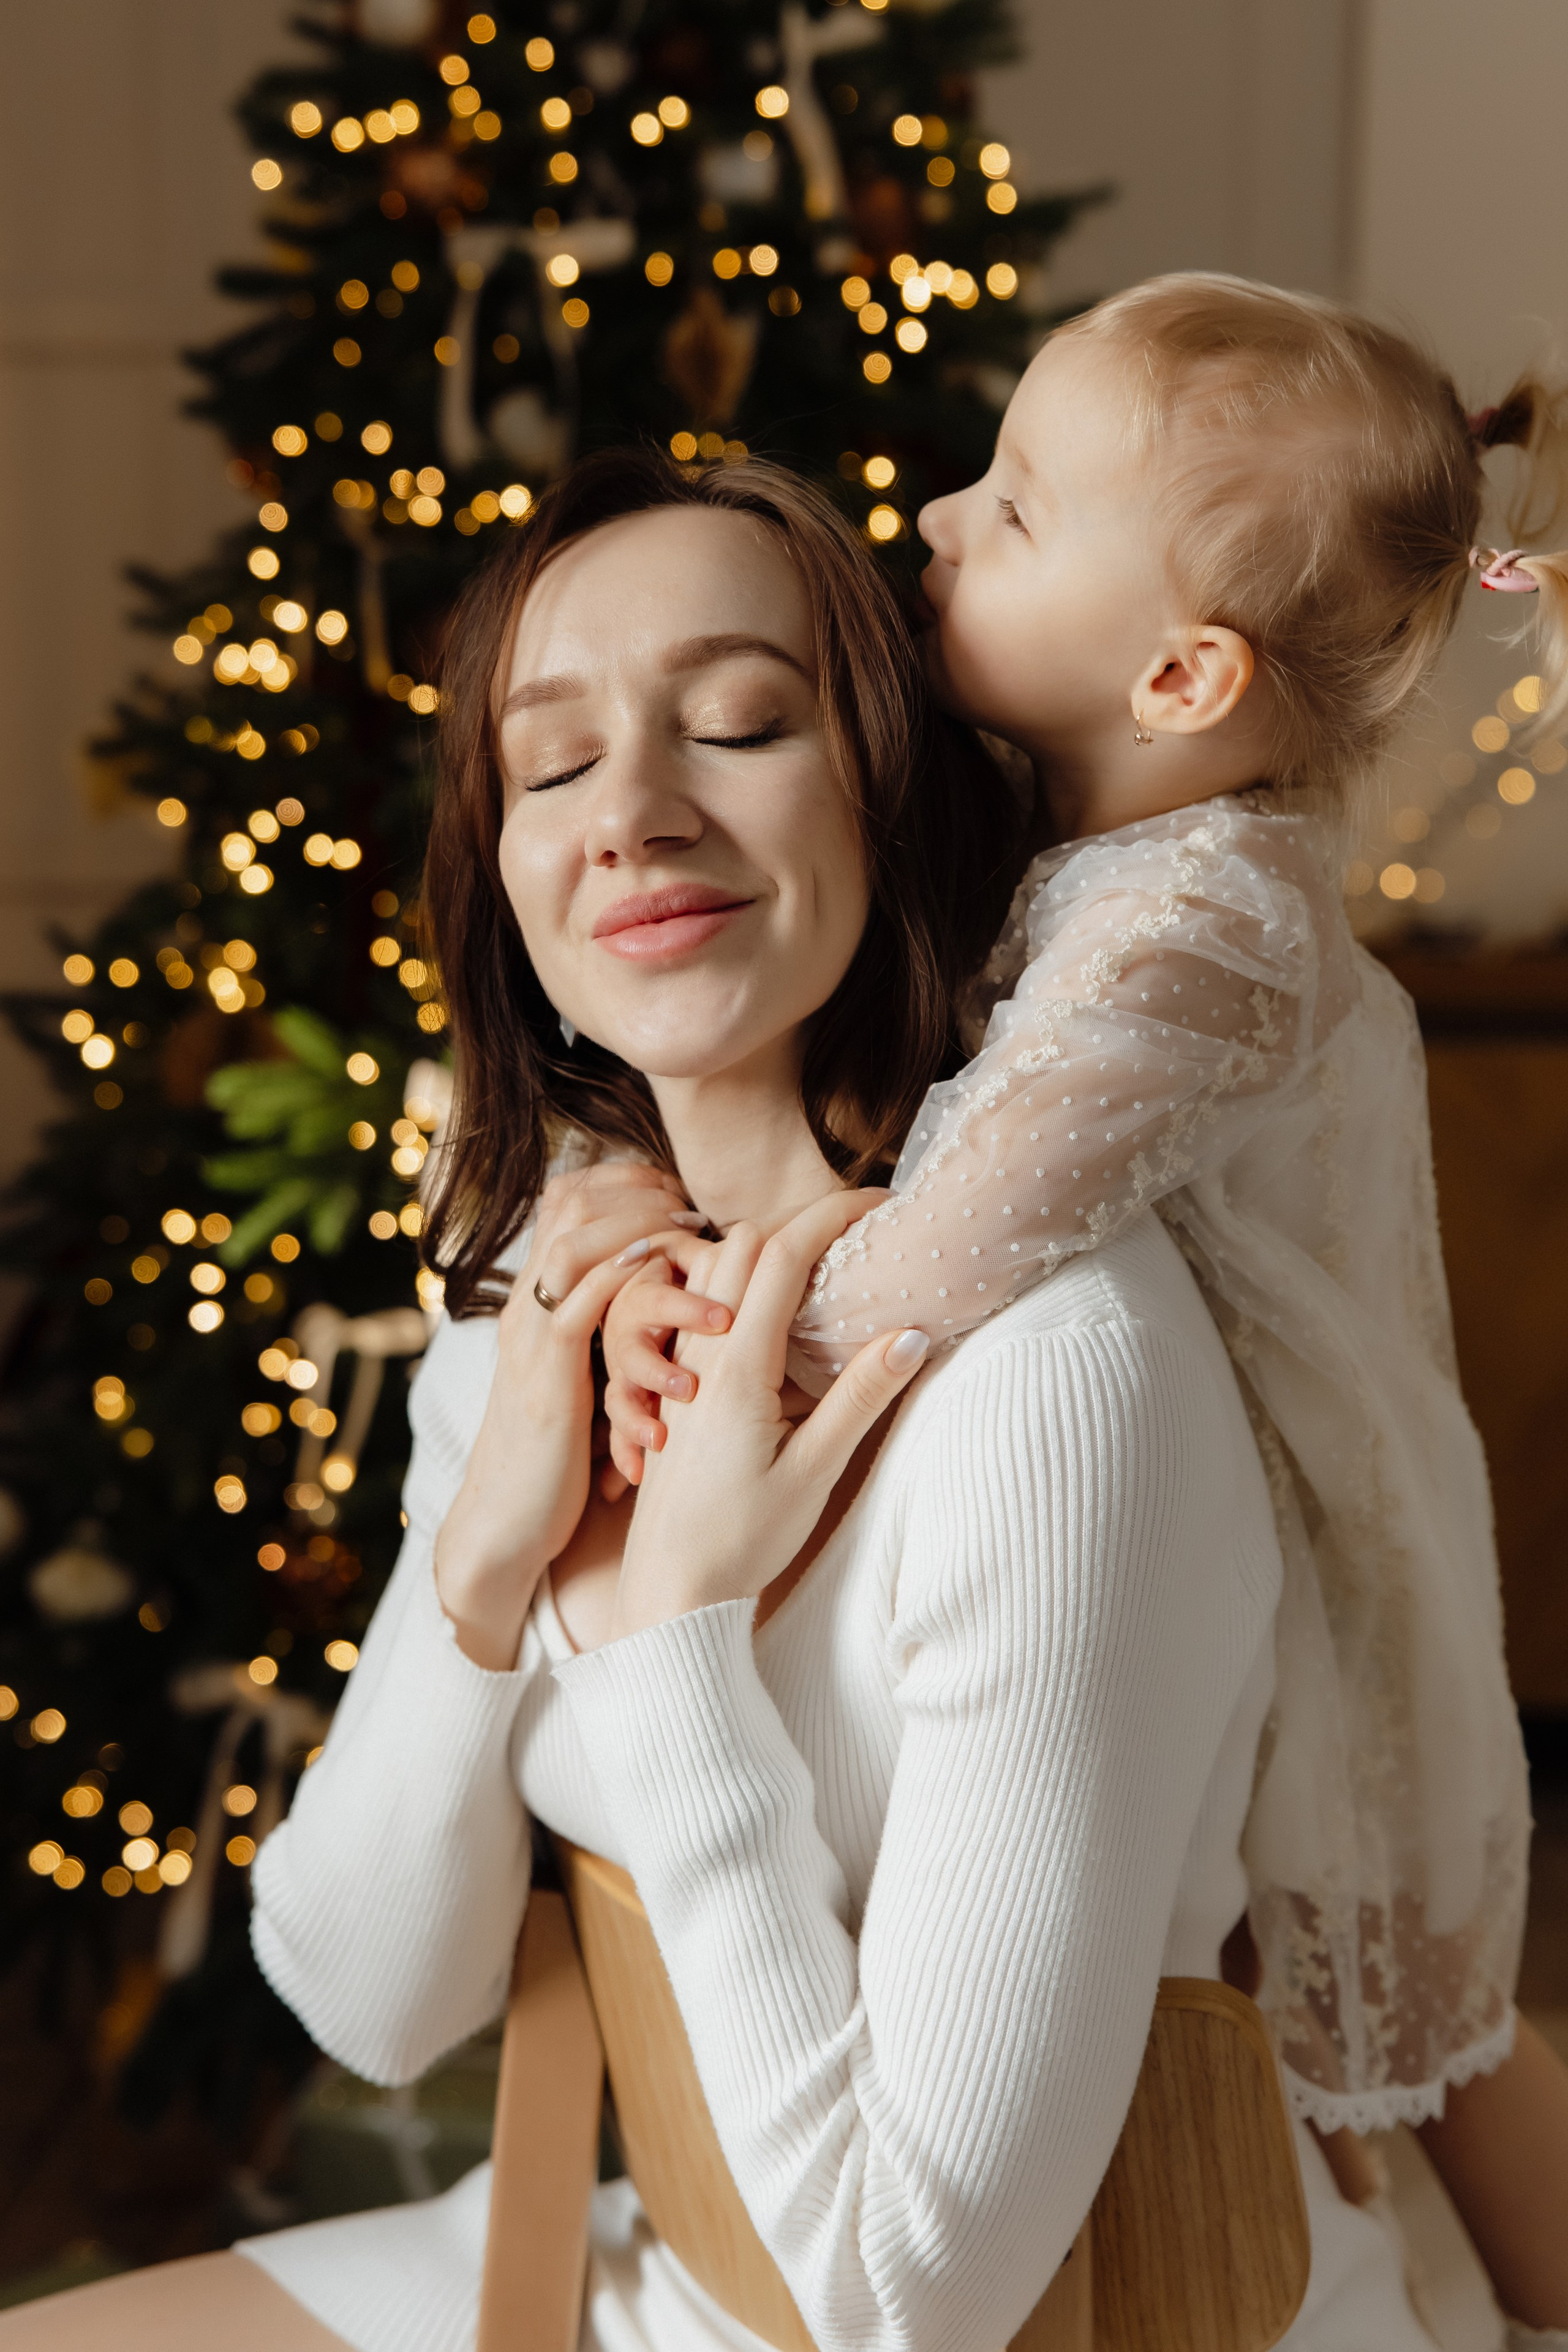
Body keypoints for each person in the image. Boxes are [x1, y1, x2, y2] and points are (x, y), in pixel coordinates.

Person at [1, 450, 1451, 2351]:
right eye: (549, 763)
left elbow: (908, 2295)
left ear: (894, 784)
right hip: (664, 2272)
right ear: (502, 868)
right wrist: (490, 1562)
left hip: (1084, 2320)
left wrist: (668, 1640)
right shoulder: (553, 1299)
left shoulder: (1054, 1375)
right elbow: (370, 2002)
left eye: (741, 722)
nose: (633, 815)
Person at [601, 278, 1568, 2343]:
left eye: (1016, 509)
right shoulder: (1093, 833)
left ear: (1185, 670)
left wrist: (734, 1336)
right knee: (1323, 1961)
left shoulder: (1204, 926)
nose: (939, 517)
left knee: (1406, 1952)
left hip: (1316, 1490)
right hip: (1223, 1454)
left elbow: (948, 1251)